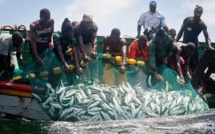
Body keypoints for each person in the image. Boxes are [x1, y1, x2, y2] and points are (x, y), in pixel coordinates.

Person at [176, 5, 213, 73]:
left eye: (199, 14)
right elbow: (181, 31)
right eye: (197, 14)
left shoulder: (201, 24)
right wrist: (176, 41)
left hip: (194, 46)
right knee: (181, 61)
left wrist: (209, 45)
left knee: (194, 63)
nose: (197, 16)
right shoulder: (186, 20)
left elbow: (207, 37)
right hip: (185, 44)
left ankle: (193, 78)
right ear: (194, 12)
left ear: (201, 14)